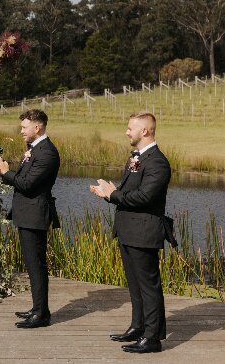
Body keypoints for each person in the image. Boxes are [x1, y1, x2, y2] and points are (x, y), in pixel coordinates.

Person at [90, 112, 171, 354]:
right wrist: (110, 192)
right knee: (134, 286)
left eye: (130, 128)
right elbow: (129, 193)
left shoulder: (157, 162)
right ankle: (138, 327)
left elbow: (146, 197)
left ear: (144, 131)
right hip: (128, 230)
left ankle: (152, 337)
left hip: (144, 231)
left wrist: (113, 195)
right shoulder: (136, 158)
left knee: (148, 286)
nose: (127, 132)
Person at [0, 109, 60, 329]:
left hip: (35, 214)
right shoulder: (33, 149)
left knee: (36, 264)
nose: (21, 131)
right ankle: (38, 308)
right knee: (32, 264)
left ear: (37, 127)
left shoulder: (47, 152)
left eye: (24, 127)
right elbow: (23, 179)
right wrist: (7, 172)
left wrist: (5, 172)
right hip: (27, 213)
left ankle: (41, 314)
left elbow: (27, 183)